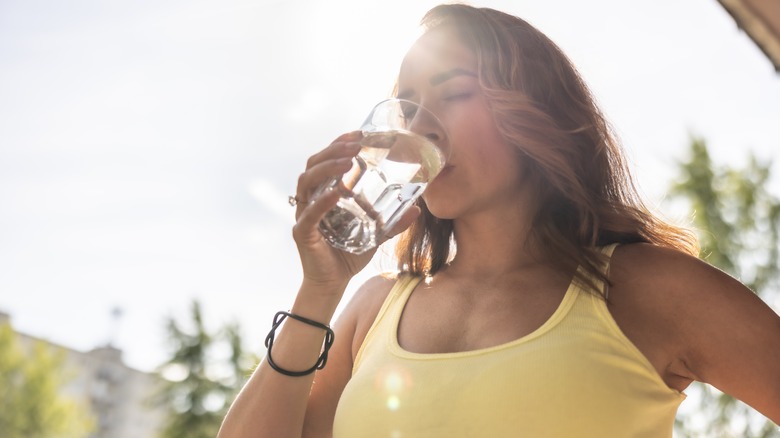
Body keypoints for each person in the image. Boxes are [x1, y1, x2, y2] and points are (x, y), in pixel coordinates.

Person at [219, 4, 780, 437]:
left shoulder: (650, 290)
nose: (423, 129)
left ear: (539, 113)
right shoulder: (372, 309)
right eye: (408, 107)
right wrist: (320, 290)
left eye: (456, 92)